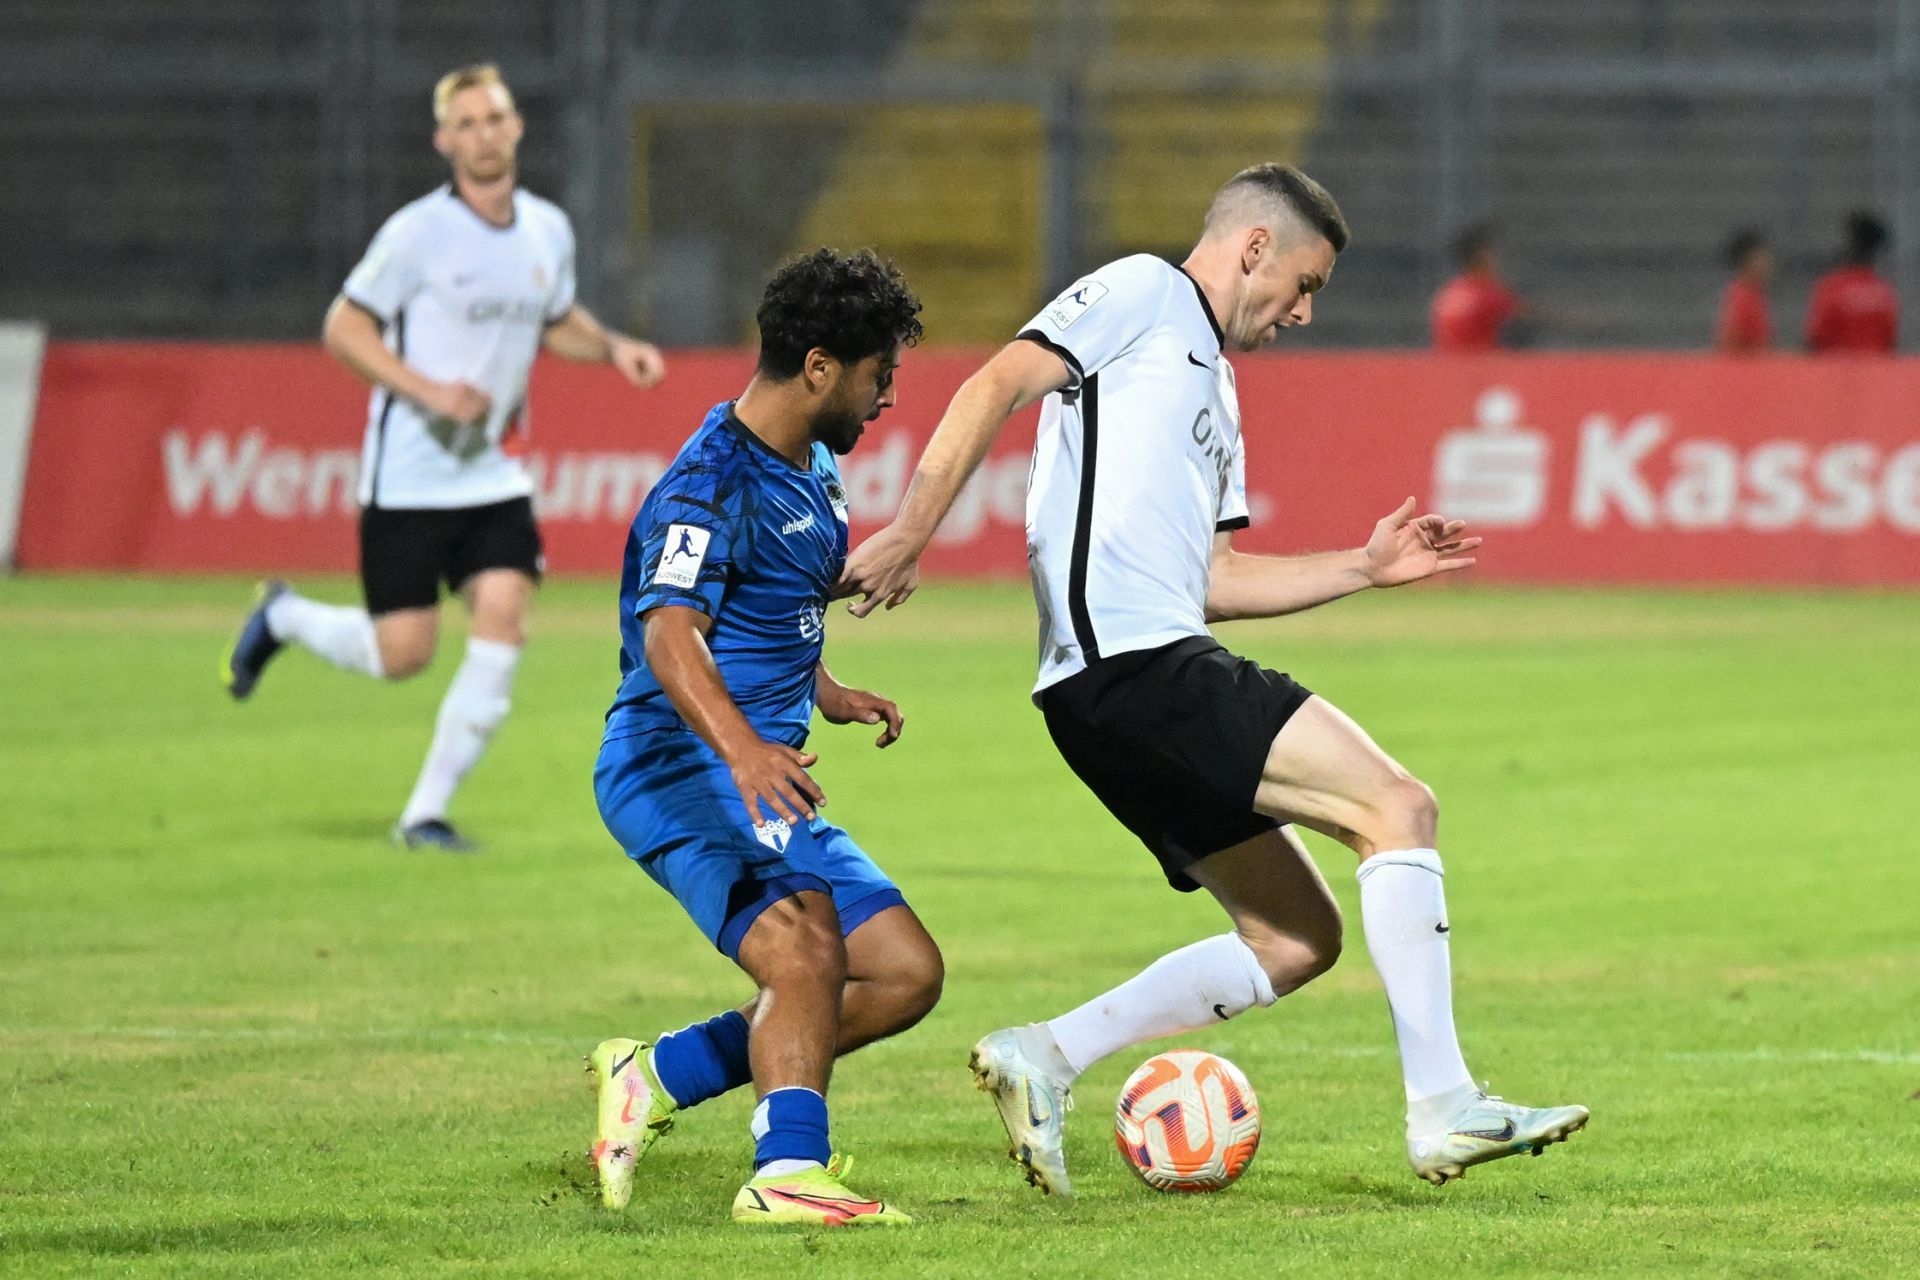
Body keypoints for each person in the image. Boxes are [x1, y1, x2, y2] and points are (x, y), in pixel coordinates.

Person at [841, 163, 1588, 1198]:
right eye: (1304, 283)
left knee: (1296, 938)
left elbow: (1217, 581)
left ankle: (1043, 1054)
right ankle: (1445, 1107)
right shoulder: (1144, 292)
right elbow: (996, 381)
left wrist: (1364, 568)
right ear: (1254, 248)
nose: (1304, 311)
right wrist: (913, 528)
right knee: (1398, 806)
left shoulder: (1218, 391)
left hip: (1117, 687)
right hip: (1135, 668)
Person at [221, 64, 666, 851]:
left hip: (493, 473)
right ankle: (283, 616)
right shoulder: (417, 233)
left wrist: (612, 347)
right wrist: (427, 390)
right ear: (443, 141)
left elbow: (553, 318)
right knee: (403, 654)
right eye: (466, 124)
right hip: (409, 477)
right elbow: (344, 328)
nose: (483, 135)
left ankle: (423, 815)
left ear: (516, 126)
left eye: (494, 118)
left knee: (504, 616)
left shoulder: (547, 229)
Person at [586, 249, 937, 1228]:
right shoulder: (708, 486)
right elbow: (672, 633)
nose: (888, 397)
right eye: (879, 375)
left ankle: (656, 1073)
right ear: (820, 367)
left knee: (902, 971)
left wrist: (827, 691)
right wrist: (744, 749)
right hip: (676, 763)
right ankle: (786, 1171)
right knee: (806, 945)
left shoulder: (813, 467)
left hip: (758, 777)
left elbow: (770, 605)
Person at [1806, 211, 1899, 354]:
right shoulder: (1883, 292)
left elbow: (1817, 338)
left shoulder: (1833, 287)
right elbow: (1889, 340)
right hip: (1876, 365)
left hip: (1838, 365)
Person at [1430, 222, 1525, 352]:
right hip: (1480, 361)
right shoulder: (1488, 294)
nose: (1497, 260)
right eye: (1492, 255)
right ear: (1481, 256)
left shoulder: (1447, 294)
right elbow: (1527, 315)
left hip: (1447, 361)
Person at [1715, 228, 1773, 353]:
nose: (1768, 265)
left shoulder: (1754, 295)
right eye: (1762, 259)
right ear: (1748, 262)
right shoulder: (1743, 297)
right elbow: (1731, 343)